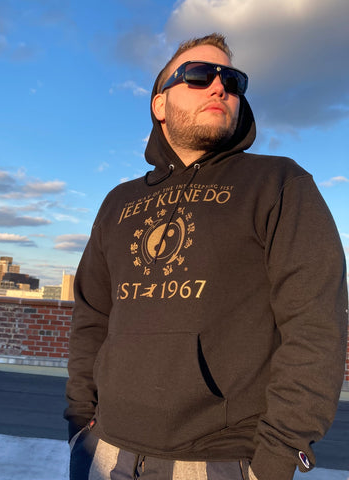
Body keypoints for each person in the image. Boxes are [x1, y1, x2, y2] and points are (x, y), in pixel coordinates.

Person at [64, 33, 348, 480]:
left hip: (222, 459)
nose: (219, 87)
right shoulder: (118, 203)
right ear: (160, 104)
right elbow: (91, 316)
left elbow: (316, 325)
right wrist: (80, 422)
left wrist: (277, 457)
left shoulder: (278, 184)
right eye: (198, 76)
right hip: (105, 453)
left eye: (233, 81)